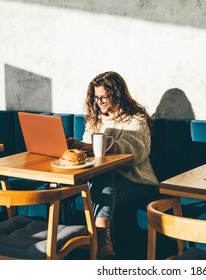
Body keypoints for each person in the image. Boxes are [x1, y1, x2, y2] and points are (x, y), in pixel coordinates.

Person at [67, 71, 159, 259]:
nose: (99, 102)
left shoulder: (136, 119)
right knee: (101, 176)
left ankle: (101, 241)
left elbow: (136, 151)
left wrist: (98, 146)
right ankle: (98, 246)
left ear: (117, 94)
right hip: (104, 180)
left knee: (102, 176)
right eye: (96, 97)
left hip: (138, 181)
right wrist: (77, 148)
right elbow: (90, 153)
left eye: (103, 97)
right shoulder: (95, 119)